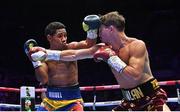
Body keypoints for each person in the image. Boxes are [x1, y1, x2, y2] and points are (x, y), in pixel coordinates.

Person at [28, 11, 171, 111]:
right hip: (129, 101)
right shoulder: (103, 47)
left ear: (110, 29)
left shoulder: (137, 45)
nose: (98, 34)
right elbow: (73, 55)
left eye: (100, 30)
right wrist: (46, 53)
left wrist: (112, 58)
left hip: (151, 96)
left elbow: (134, 74)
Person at [24, 15, 101, 111]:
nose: (64, 39)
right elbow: (43, 79)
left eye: (65, 35)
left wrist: (92, 30)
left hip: (72, 101)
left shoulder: (71, 48)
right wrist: (34, 61)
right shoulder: (44, 56)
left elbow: (89, 45)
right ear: (49, 38)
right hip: (50, 102)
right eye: (60, 36)